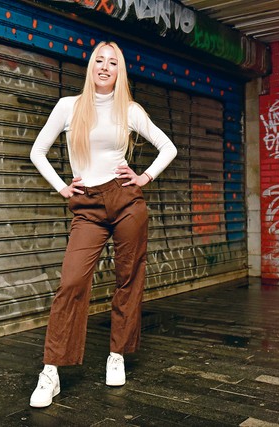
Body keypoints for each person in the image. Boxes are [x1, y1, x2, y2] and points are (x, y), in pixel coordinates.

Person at [28, 41, 177, 408]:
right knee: (72, 281)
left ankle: (117, 355)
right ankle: (51, 371)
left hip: (126, 200)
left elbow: (168, 147)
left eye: (113, 62)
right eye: (100, 60)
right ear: (91, 66)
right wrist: (63, 187)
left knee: (128, 278)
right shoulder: (69, 107)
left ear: (119, 71)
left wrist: (144, 177)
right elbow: (37, 151)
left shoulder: (130, 110)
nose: (105, 67)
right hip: (88, 205)